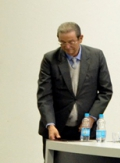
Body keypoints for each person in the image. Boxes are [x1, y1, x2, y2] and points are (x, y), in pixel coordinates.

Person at [37, 22, 113, 154]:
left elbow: (105, 91)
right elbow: (44, 96)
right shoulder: (50, 59)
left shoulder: (96, 56)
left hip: (86, 129)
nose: (67, 47)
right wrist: (50, 124)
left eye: (71, 42)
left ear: (80, 38)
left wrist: (91, 118)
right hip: (57, 129)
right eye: (62, 43)